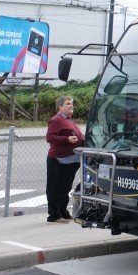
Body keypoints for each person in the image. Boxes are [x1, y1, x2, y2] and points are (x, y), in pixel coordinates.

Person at [45, 95, 84, 223]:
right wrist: (66, 139)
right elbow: (50, 137)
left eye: (72, 103)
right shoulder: (56, 120)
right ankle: (54, 215)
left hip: (71, 160)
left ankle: (62, 211)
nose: (71, 105)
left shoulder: (68, 120)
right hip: (59, 160)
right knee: (55, 188)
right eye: (68, 104)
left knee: (65, 188)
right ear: (60, 107)